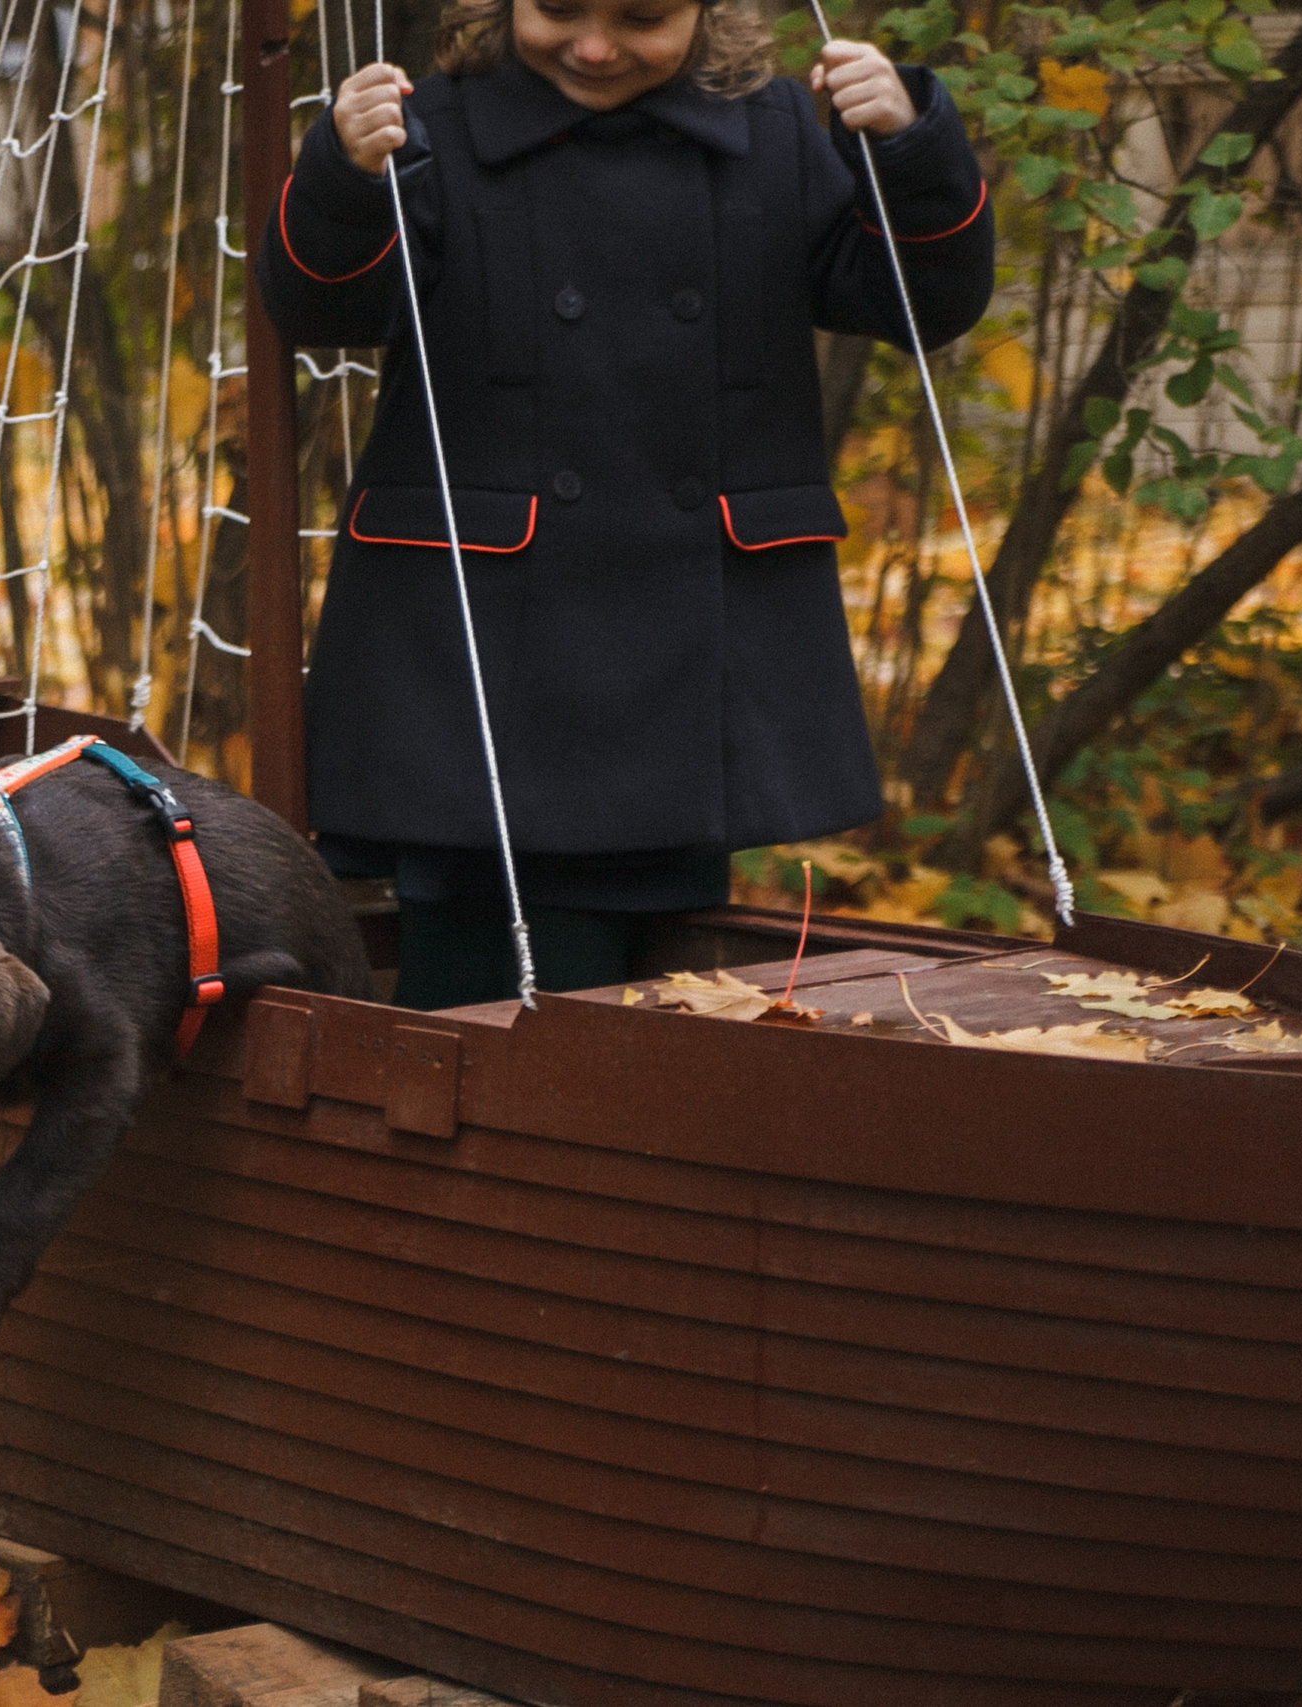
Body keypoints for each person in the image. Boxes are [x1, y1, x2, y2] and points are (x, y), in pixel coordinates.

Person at [253, 0, 994, 1009]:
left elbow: (920, 301)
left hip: (688, 660)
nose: (595, 47)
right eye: (558, 8)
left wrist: (908, 144)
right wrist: (343, 174)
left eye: (641, 17)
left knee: (657, 1012)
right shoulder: (433, 124)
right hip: (478, 664)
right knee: (478, 1018)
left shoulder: (772, 128)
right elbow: (325, 306)